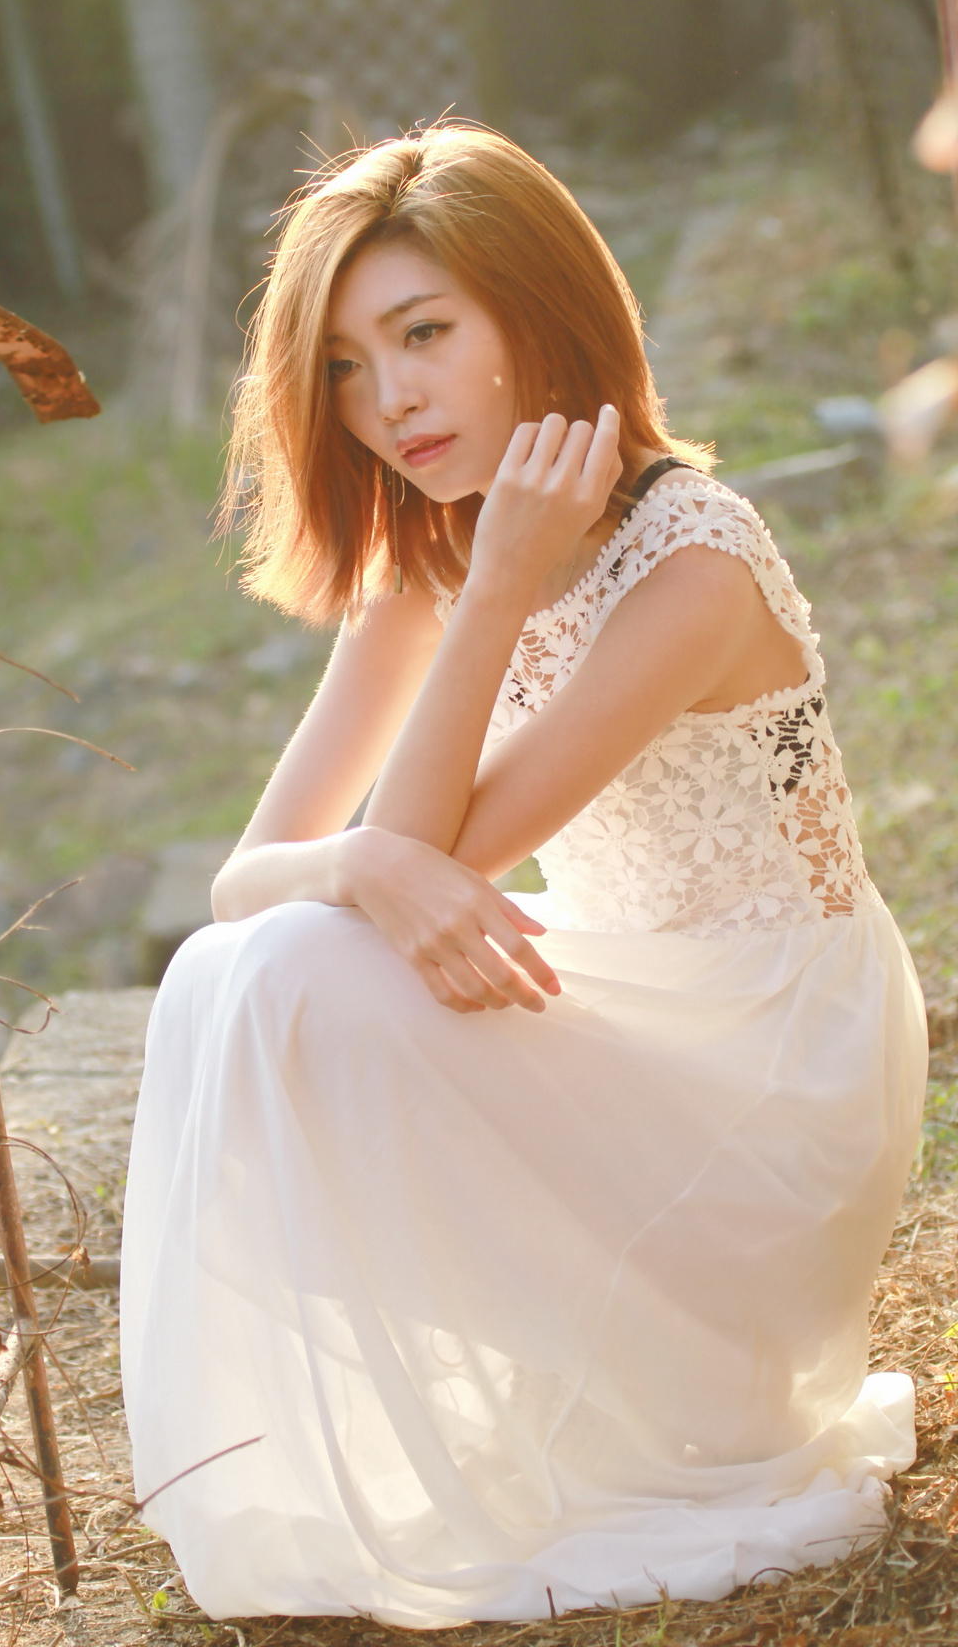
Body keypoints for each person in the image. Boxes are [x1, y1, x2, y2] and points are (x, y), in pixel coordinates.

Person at [119, 124, 928, 1626]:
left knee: (299, 967)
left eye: (424, 334)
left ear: (537, 314)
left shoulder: (692, 565)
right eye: (346, 367)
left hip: (770, 1085)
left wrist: (492, 596)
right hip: (631, 1017)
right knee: (240, 970)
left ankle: (698, 1358)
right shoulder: (433, 554)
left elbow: (444, 863)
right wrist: (360, 854)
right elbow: (245, 887)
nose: (388, 399)